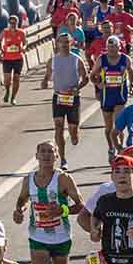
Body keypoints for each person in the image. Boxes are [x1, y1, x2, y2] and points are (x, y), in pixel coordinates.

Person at [11, 141, 83, 264]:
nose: (46, 155)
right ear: (36, 156)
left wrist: (63, 210)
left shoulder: (63, 179)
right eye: (42, 152)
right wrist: (20, 210)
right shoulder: (29, 180)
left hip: (61, 238)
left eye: (50, 152)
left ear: (56, 156)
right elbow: (22, 199)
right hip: (38, 237)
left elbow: (81, 206)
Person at [44, 33, 89, 169]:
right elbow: (47, 75)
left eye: (66, 42)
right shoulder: (52, 61)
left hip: (72, 98)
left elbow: (85, 78)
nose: (64, 45)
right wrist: (44, 82)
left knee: (73, 131)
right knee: (58, 127)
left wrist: (78, 87)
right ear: (57, 44)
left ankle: (74, 135)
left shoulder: (77, 60)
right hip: (58, 97)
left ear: (71, 43)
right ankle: (63, 159)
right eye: (61, 42)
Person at [91, 35, 133, 159]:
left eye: (114, 47)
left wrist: (131, 84)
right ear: (106, 48)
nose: (112, 50)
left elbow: (130, 71)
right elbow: (92, 75)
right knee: (108, 126)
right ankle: (111, 148)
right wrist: (98, 84)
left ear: (119, 47)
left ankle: (120, 148)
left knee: (118, 123)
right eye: (109, 48)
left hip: (120, 96)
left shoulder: (125, 59)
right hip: (106, 96)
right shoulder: (101, 59)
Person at [0, 13, 26, 104]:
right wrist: (2, 49)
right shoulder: (5, 32)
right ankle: (7, 90)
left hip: (18, 59)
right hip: (7, 59)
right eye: (11, 23)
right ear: (8, 23)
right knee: (7, 79)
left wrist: (23, 48)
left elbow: (25, 43)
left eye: (14, 23)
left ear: (17, 23)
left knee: (16, 78)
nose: (13, 25)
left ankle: (13, 97)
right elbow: (0, 41)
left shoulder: (21, 32)